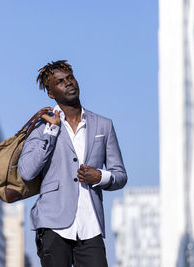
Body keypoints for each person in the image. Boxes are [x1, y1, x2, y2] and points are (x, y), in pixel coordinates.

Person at [18, 60, 127, 267]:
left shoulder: (103, 125)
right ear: (51, 93)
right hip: (52, 224)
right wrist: (51, 132)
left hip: (90, 226)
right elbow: (26, 171)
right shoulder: (41, 126)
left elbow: (120, 175)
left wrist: (100, 176)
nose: (68, 83)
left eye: (70, 78)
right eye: (60, 81)